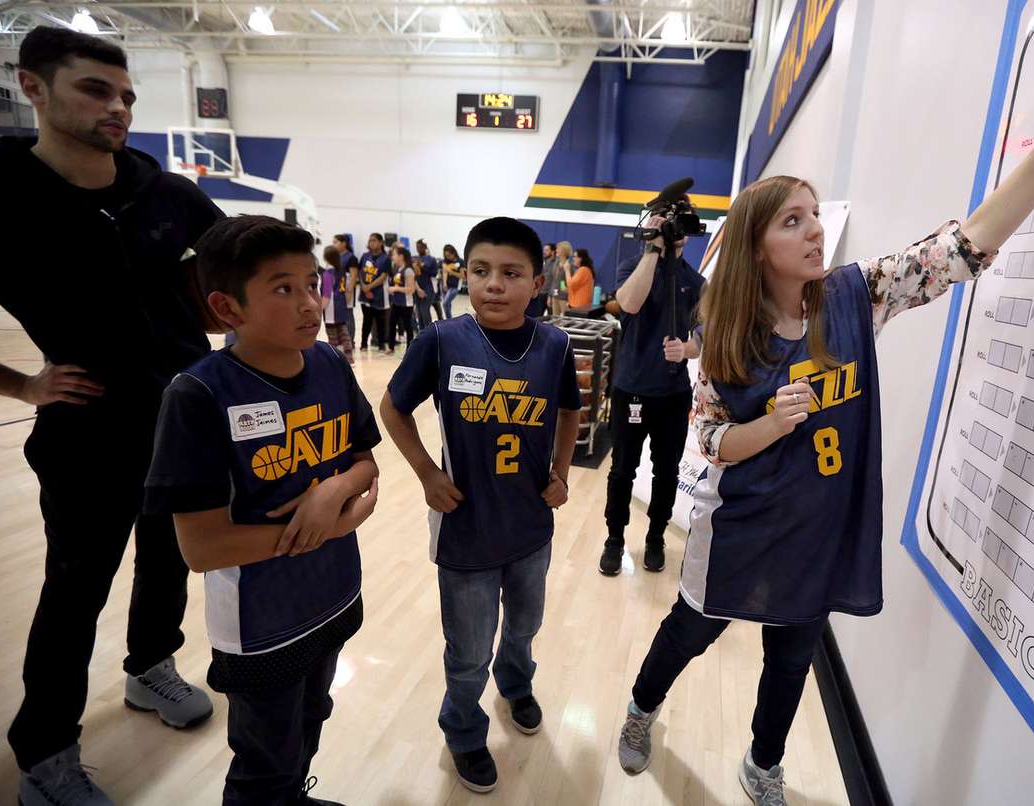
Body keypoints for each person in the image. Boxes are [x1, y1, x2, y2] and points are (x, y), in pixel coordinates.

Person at [614, 40, 1034, 806]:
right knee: (690, 633)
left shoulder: (859, 296)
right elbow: (712, 442)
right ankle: (639, 708)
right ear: (758, 246)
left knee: (790, 662)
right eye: (794, 220)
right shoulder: (726, 337)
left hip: (819, 533)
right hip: (742, 531)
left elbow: (968, 243)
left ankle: (762, 765)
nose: (816, 230)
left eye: (816, 216)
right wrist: (773, 428)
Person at [0, 27, 222, 805]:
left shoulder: (167, 193)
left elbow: (248, 265)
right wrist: (24, 386)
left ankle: (150, 667)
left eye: (126, 95)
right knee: (74, 591)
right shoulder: (4, 196)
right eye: (95, 89)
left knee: (169, 561)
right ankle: (45, 756)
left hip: (185, 424)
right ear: (33, 86)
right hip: (88, 436)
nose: (118, 107)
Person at [145, 215, 381, 805]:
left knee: (312, 719)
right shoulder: (198, 396)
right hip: (260, 625)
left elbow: (366, 463)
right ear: (228, 309)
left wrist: (332, 496)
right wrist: (331, 524)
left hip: (332, 593)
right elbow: (202, 549)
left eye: (311, 283)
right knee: (263, 762)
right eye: (283, 288)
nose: (309, 303)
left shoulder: (329, 364)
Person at [380, 217, 581, 794]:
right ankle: (463, 728)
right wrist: (425, 473)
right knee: (467, 649)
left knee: (524, 627)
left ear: (537, 284)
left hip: (529, 528)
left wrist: (562, 473)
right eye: (481, 271)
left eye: (511, 273)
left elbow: (570, 411)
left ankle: (516, 687)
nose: (494, 284)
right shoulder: (441, 341)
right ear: (465, 275)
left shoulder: (556, 345)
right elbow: (392, 409)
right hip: (464, 529)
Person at [599, 216, 704, 576]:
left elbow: (704, 333)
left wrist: (688, 349)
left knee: (667, 473)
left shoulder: (695, 281)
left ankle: (655, 537)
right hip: (631, 389)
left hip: (673, 395)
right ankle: (614, 539)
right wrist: (654, 249)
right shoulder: (634, 266)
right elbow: (627, 303)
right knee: (622, 470)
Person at [321, 245, 355, 364]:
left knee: (333, 336)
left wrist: (319, 308)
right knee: (344, 333)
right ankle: (349, 357)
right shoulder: (342, 271)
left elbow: (326, 295)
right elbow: (347, 289)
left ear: (326, 257)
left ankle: (335, 360)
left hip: (331, 308)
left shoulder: (327, 274)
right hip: (341, 305)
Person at [358, 233, 391, 353]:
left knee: (380, 321)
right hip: (365, 294)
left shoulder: (386, 258)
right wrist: (364, 287)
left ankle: (381, 344)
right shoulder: (365, 256)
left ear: (381, 242)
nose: (372, 243)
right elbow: (360, 272)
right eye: (370, 240)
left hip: (379, 294)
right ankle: (363, 344)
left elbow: (383, 276)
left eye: (374, 240)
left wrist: (369, 287)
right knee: (366, 321)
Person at [388, 245, 417, 349]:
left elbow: (411, 289)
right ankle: (391, 347)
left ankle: (410, 350)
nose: (392, 257)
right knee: (391, 324)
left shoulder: (408, 270)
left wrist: (395, 289)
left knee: (408, 327)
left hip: (406, 304)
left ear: (401, 256)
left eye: (394, 254)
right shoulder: (396, 269)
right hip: (396, 302)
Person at [332, 234, 358, 346]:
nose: (333, 245)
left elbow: (353, 276)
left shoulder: (351, 258)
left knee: (348, 316)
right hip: (337, 290)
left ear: (344, 243)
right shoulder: (336, 256)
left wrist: (349, 291)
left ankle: (350, 340)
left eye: (336, 242)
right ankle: (341, 339)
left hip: (347, 290)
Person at [417, 239, 444, 322]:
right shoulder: (416, 258)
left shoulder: (431, 259)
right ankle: (422, 332)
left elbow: (434, 273)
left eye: (420, 247)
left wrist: (422, 266)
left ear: (425, 247)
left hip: (429, 287)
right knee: (419, 312)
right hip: (418, 287)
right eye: (417, 247)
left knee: (425, 310)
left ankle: (429, 330)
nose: (418, 249)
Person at [440, 244, 466, 320]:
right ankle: (449, 320)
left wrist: (451, 271)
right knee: (447, 304)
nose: (447, 257)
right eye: (446, 255)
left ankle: (449, 320)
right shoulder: (446, 261)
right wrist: (444, 284)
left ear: (453, 253)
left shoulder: (460, 261)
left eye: (449, 255)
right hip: (445, 285)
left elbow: (463, 276)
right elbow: (445, 272)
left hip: (455, 287)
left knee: (445, 303)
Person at [550, 241, 573, 316]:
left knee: (565, 319)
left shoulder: (569, 265)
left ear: (564, 251)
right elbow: (554, 281)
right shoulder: (556, 263)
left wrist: (569, 298)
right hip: (555, 295)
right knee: (555, 318)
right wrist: (550, 296)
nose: (556, 250)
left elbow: (570, 283)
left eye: (558, 249)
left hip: (564, 297)